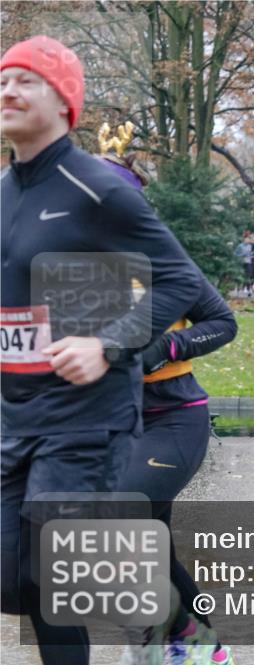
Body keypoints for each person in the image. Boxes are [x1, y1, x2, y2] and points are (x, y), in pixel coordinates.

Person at [1, 36, 203, 664]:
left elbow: (181, 281)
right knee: (14, 580)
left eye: (26, 80)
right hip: (16, 417)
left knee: (46, 571)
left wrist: (108, 344)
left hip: (86, 419)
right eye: (3, 79)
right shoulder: (5, 190)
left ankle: (184, 635)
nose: (8, 90)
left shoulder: (97, 188)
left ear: (64, 101)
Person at [99, 147, 236, 664]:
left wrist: (164, 349)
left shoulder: (162, 256)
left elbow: (223, 322)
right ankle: (198, 638)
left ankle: (176, 641)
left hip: (172, 419)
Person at [233, 231, 254, 297]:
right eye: (247, 239)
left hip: (248, 262)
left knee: (248, 276)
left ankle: (248, 290)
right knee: (239, 276)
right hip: (241, 262)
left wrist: (251, 255)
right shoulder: (240, 246)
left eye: (249, 239)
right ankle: (237, 290)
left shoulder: (250, 246)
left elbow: (251, 254)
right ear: (244, 239)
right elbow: (235, 254)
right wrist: (242, 255)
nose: (248, 240)